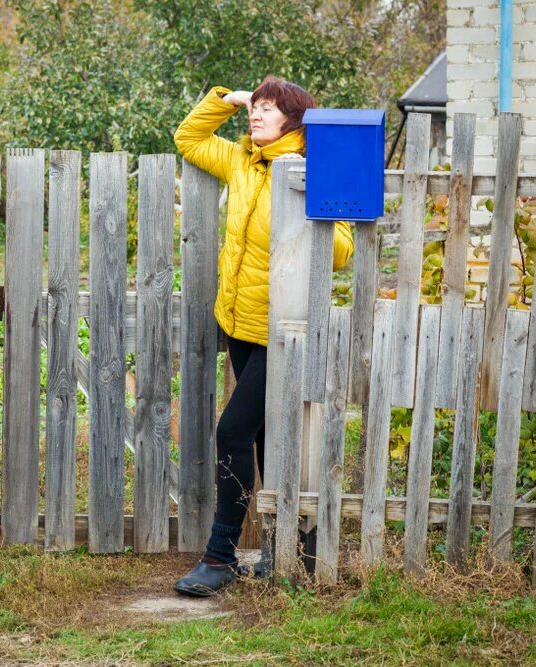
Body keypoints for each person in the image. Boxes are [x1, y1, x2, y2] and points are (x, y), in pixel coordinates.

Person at [172, 76, 354, 596]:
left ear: (293, 122)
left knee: (232, 434)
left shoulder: (308, 172)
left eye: (267, 109)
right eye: (256, 107)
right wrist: (227, 99)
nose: (255, 115)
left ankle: (220, 556)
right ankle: (289, 556)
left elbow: (340, 251)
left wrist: (307, 205)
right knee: (260, 437)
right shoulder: (242, 161)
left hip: (284, 333)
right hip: (240, 325)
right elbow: (189, 138)